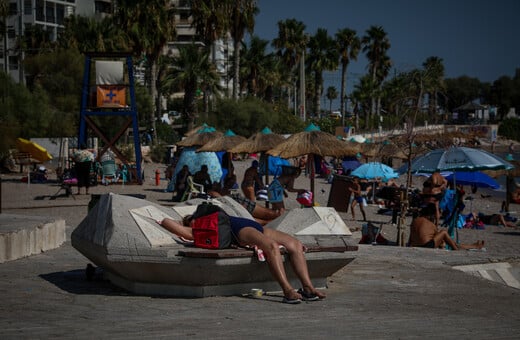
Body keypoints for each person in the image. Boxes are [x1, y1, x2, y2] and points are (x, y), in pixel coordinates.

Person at [157, 214, 325, 304]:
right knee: (271, 247)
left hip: (259, 228)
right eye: (191, 221)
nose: (194, 221)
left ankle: (308, 288)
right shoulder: (201, 228)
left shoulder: (212, 215)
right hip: (241, 231)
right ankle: (288, 291)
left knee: (295, 244)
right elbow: (170, 223)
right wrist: (163, 219)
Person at [409, 203, 485, 250]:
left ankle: (472, 246)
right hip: (427, 246)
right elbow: (441, 239)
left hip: (416, 245)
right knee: (444, 233)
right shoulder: (430, 224)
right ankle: (460, 249)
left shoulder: (415, 221)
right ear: (431, 215)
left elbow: (411, 237)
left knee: (449, 242)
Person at [208, 191, 282, 225]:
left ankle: (282, 217)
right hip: (228, 206)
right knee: (265, 220)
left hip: (231, 201)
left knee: (270, 214)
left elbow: (214, 193)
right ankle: (280, 219)